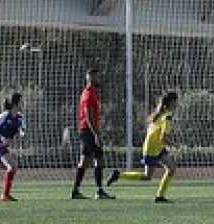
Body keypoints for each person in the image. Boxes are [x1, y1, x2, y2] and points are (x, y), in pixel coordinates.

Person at [107, 91, 178, 203]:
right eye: (176, 102)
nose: (176, 104)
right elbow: (162, 138)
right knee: (147, 176)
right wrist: (173, 144)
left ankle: (160, 196)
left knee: (171, 168)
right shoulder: (167, 116)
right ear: (172, 102)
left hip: (156, 146)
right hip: (152, 148)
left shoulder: (159, 113)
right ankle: (119, 175)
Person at [71, 68, 115, 200]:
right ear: (90, 79)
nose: (97, 79)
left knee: (84, 161)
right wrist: (96, 134)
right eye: (95, 77)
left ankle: (75, 191)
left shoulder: (91, 93)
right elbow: (88, 116)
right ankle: (99, 191)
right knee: (99, 158)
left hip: (86, 130)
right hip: (88, 130)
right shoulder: (88, 94)